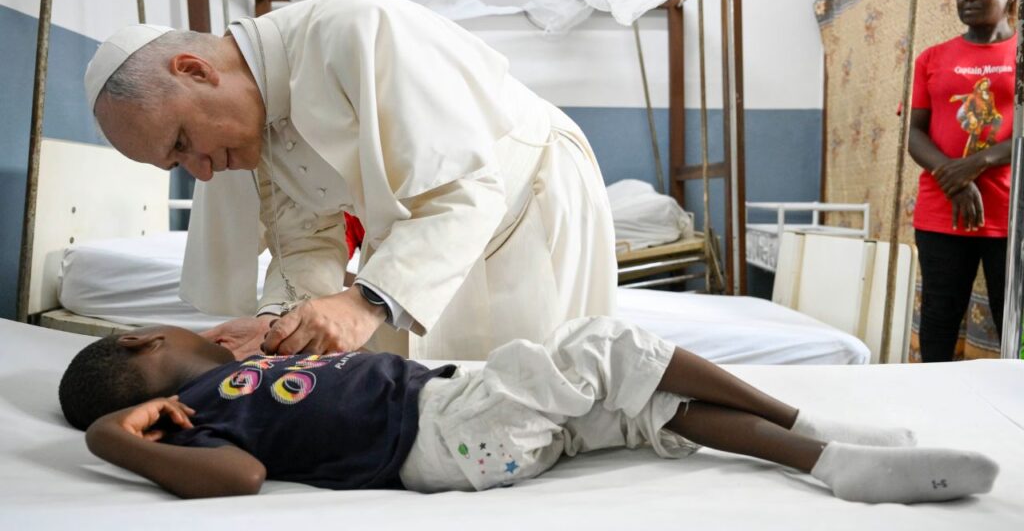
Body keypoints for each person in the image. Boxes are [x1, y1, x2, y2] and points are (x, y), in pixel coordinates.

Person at [83, 0, 617, 361]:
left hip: (529, 199)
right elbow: (304, 238)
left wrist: (365, 302)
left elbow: (466, 189)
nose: (200, 172)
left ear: (195, 71)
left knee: (541, 384)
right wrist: (277, 324)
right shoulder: (252, 129)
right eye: (177, 164)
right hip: (427, 241)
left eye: (181, 142)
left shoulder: (360, 29)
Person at [59, 317, 998, 503]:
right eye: (177, 332)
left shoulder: (237, 382)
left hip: (466, 426)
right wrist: (112, 440)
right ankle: (810, 427)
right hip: (443, 433)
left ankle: (838, 468)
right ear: (142, 344)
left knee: (650, 404)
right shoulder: (201, 412)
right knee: (608, 346)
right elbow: (242, 478)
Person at [908, 0, 1017, 362]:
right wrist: (952, 179)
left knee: (1014, 322)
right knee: (938, 320)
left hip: (1009, 214)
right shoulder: (932, 58)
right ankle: (932, 398)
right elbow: (914, 133)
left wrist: (974, 165)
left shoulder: (1021, 55)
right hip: (942, 210)